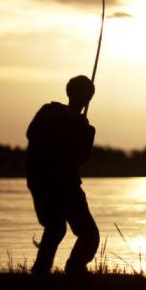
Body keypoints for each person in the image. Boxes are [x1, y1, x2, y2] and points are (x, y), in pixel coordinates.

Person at [26, 75, 99, 275]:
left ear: (68, 92)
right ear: (88, 100)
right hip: (61, 184)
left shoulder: (48, 112)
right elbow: (80, 158)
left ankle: (41, 271)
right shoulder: (82, 127)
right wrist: (78, 128)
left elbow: (31, 134)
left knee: (55, 227)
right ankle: (74, 268)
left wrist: (80, 128)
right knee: (89, 235)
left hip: (40, 182)